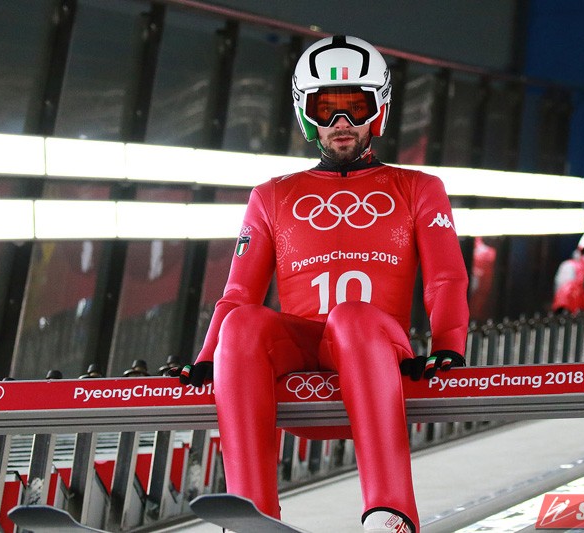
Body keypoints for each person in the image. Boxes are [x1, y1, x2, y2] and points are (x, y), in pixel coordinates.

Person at [178, 35, 469, 533]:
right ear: (304, 114)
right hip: (302, 359)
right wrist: (209, 356)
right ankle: (251, 517)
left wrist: (448, 347)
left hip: (377, 354)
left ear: (379, 110)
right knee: (242, 324)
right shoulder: (272, 196)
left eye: (356, 107)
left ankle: (391, 513)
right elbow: (238, 295)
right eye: (325, 108)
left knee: (351, 316)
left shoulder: (418, 188)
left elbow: (446, 277)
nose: (341, 122)